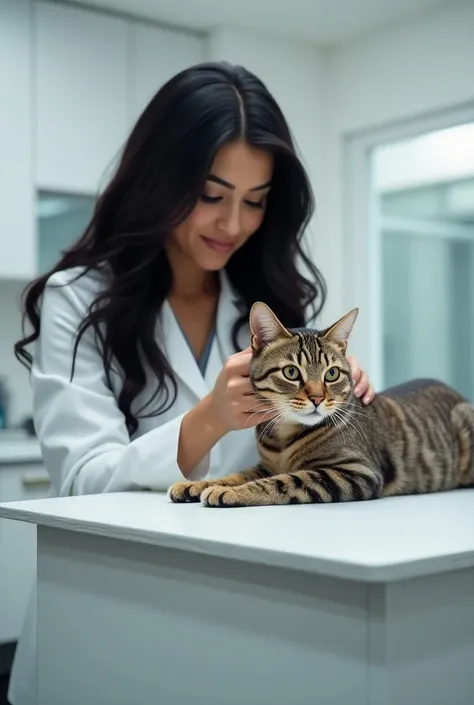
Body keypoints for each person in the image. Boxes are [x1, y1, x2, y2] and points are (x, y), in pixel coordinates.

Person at [9, 61, 374, 705]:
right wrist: (208, 418)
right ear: (160, 179)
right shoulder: (78, 300)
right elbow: (80, 483)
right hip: (105, 609)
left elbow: (301, 470)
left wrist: (339, 406)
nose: (233, 224)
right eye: (212, 195)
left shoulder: (269, 305)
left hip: (249, 606)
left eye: (255, 201)